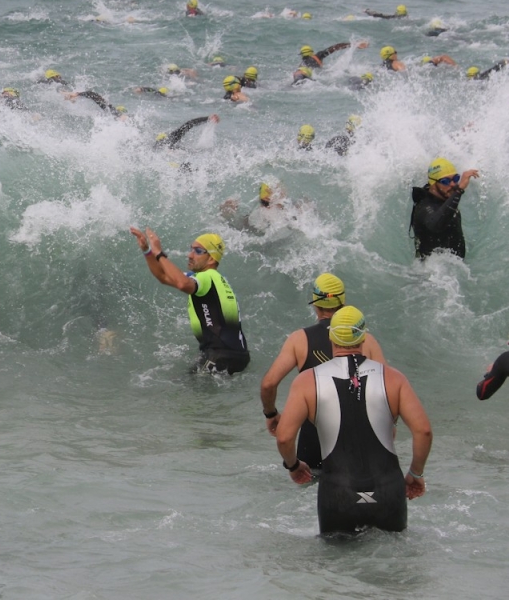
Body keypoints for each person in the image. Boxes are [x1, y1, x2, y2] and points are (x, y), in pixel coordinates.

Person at [275, 306, 431, 535]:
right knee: (394, 568)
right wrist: (415, 474)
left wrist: (294, 465)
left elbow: (284, 437)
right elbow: (423, 431)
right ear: (363, 336)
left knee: (335, 568)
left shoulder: (307, 381)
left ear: (331, 336)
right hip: (388, 492)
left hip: (338, 494)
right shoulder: (394, 378)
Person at [260, 276, 386, 472]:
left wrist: (271, 413)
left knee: (308, 496)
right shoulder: (366, 340)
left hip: (313, 442)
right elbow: (386, 391)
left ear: (315, 304)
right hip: (356, 442)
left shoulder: (299, 339)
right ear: (343, 303)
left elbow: (269, 384)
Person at [127, 228, 250, 374]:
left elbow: (183, 284)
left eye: (198, 251)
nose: (190, 255)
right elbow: (163, 277)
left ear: (211, 258)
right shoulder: (215, 279)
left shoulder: (206, 277)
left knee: (185, 393)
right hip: (237, 355)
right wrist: (147, 251)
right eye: (191, 249)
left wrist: (159, 253)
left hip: (220, 356)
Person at [410, 157, 478, 259]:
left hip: (454, 268)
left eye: (455, 178)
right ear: (433, 183)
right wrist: (459, 190)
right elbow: (437, 225)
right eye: (445, 181)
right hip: (432, 271)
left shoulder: (445, 199)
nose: (453, 184)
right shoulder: (424, 207)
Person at [153, 115, 218, 149]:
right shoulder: (170, 140)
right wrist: (208, 118)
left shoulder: (171, 140)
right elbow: (188, 124)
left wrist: (207, 118)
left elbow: (188, 125)